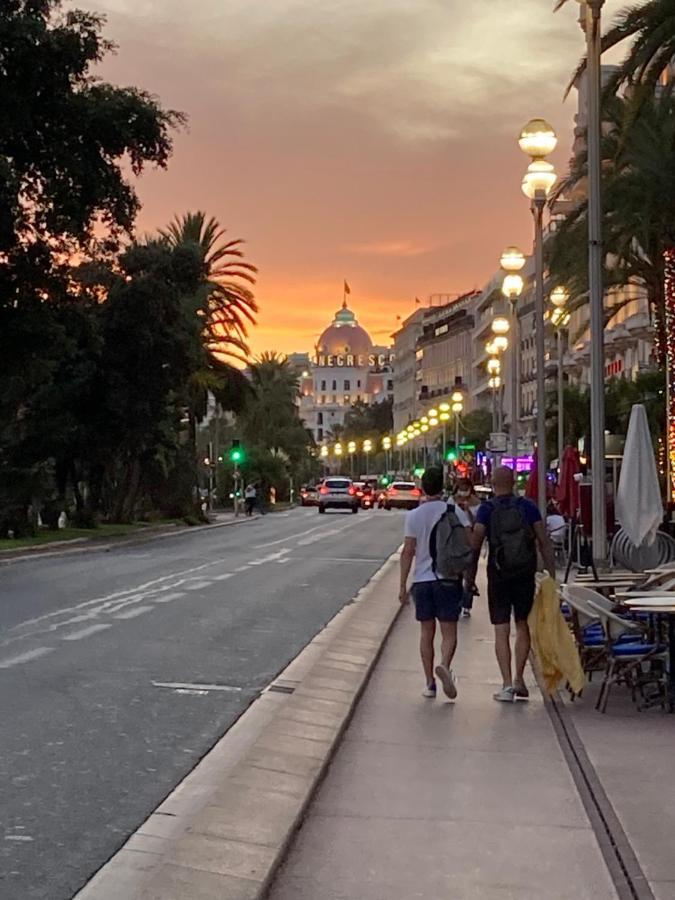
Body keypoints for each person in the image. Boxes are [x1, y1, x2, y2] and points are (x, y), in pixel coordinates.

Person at [469, 466, 555, 703]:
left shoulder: (486, 509)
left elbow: (475, 544)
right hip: (524, 574)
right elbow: (543, 540)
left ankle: (506, 684)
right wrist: (552, 573)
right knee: (523, 624)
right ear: (514, 482)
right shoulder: (527, 507)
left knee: (501, 629)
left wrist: (470, 577)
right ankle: (519, 678)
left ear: (493, 483)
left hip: (498, 575)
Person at [399, 466, 472, 700]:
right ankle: (445, 664)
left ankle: (429, 683)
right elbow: (467, 541)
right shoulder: (454, 512)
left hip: (422, 580)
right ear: (442, 486)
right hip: (448, 578)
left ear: (422, 487)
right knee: (449, 630)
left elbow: (408, 551)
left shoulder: (414, 516)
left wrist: (402, 584)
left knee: (425, 632)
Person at [453, 478, 481, 618]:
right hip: (455, 542)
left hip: (471, 542)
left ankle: (466, 605)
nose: (463, 491)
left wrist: (467, 510)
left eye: (466, 488)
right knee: (457, 574)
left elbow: (478, 524)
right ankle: (457, 602)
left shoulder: (477, 504)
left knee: (469, 576)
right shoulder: (451, 501)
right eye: (460, 488)